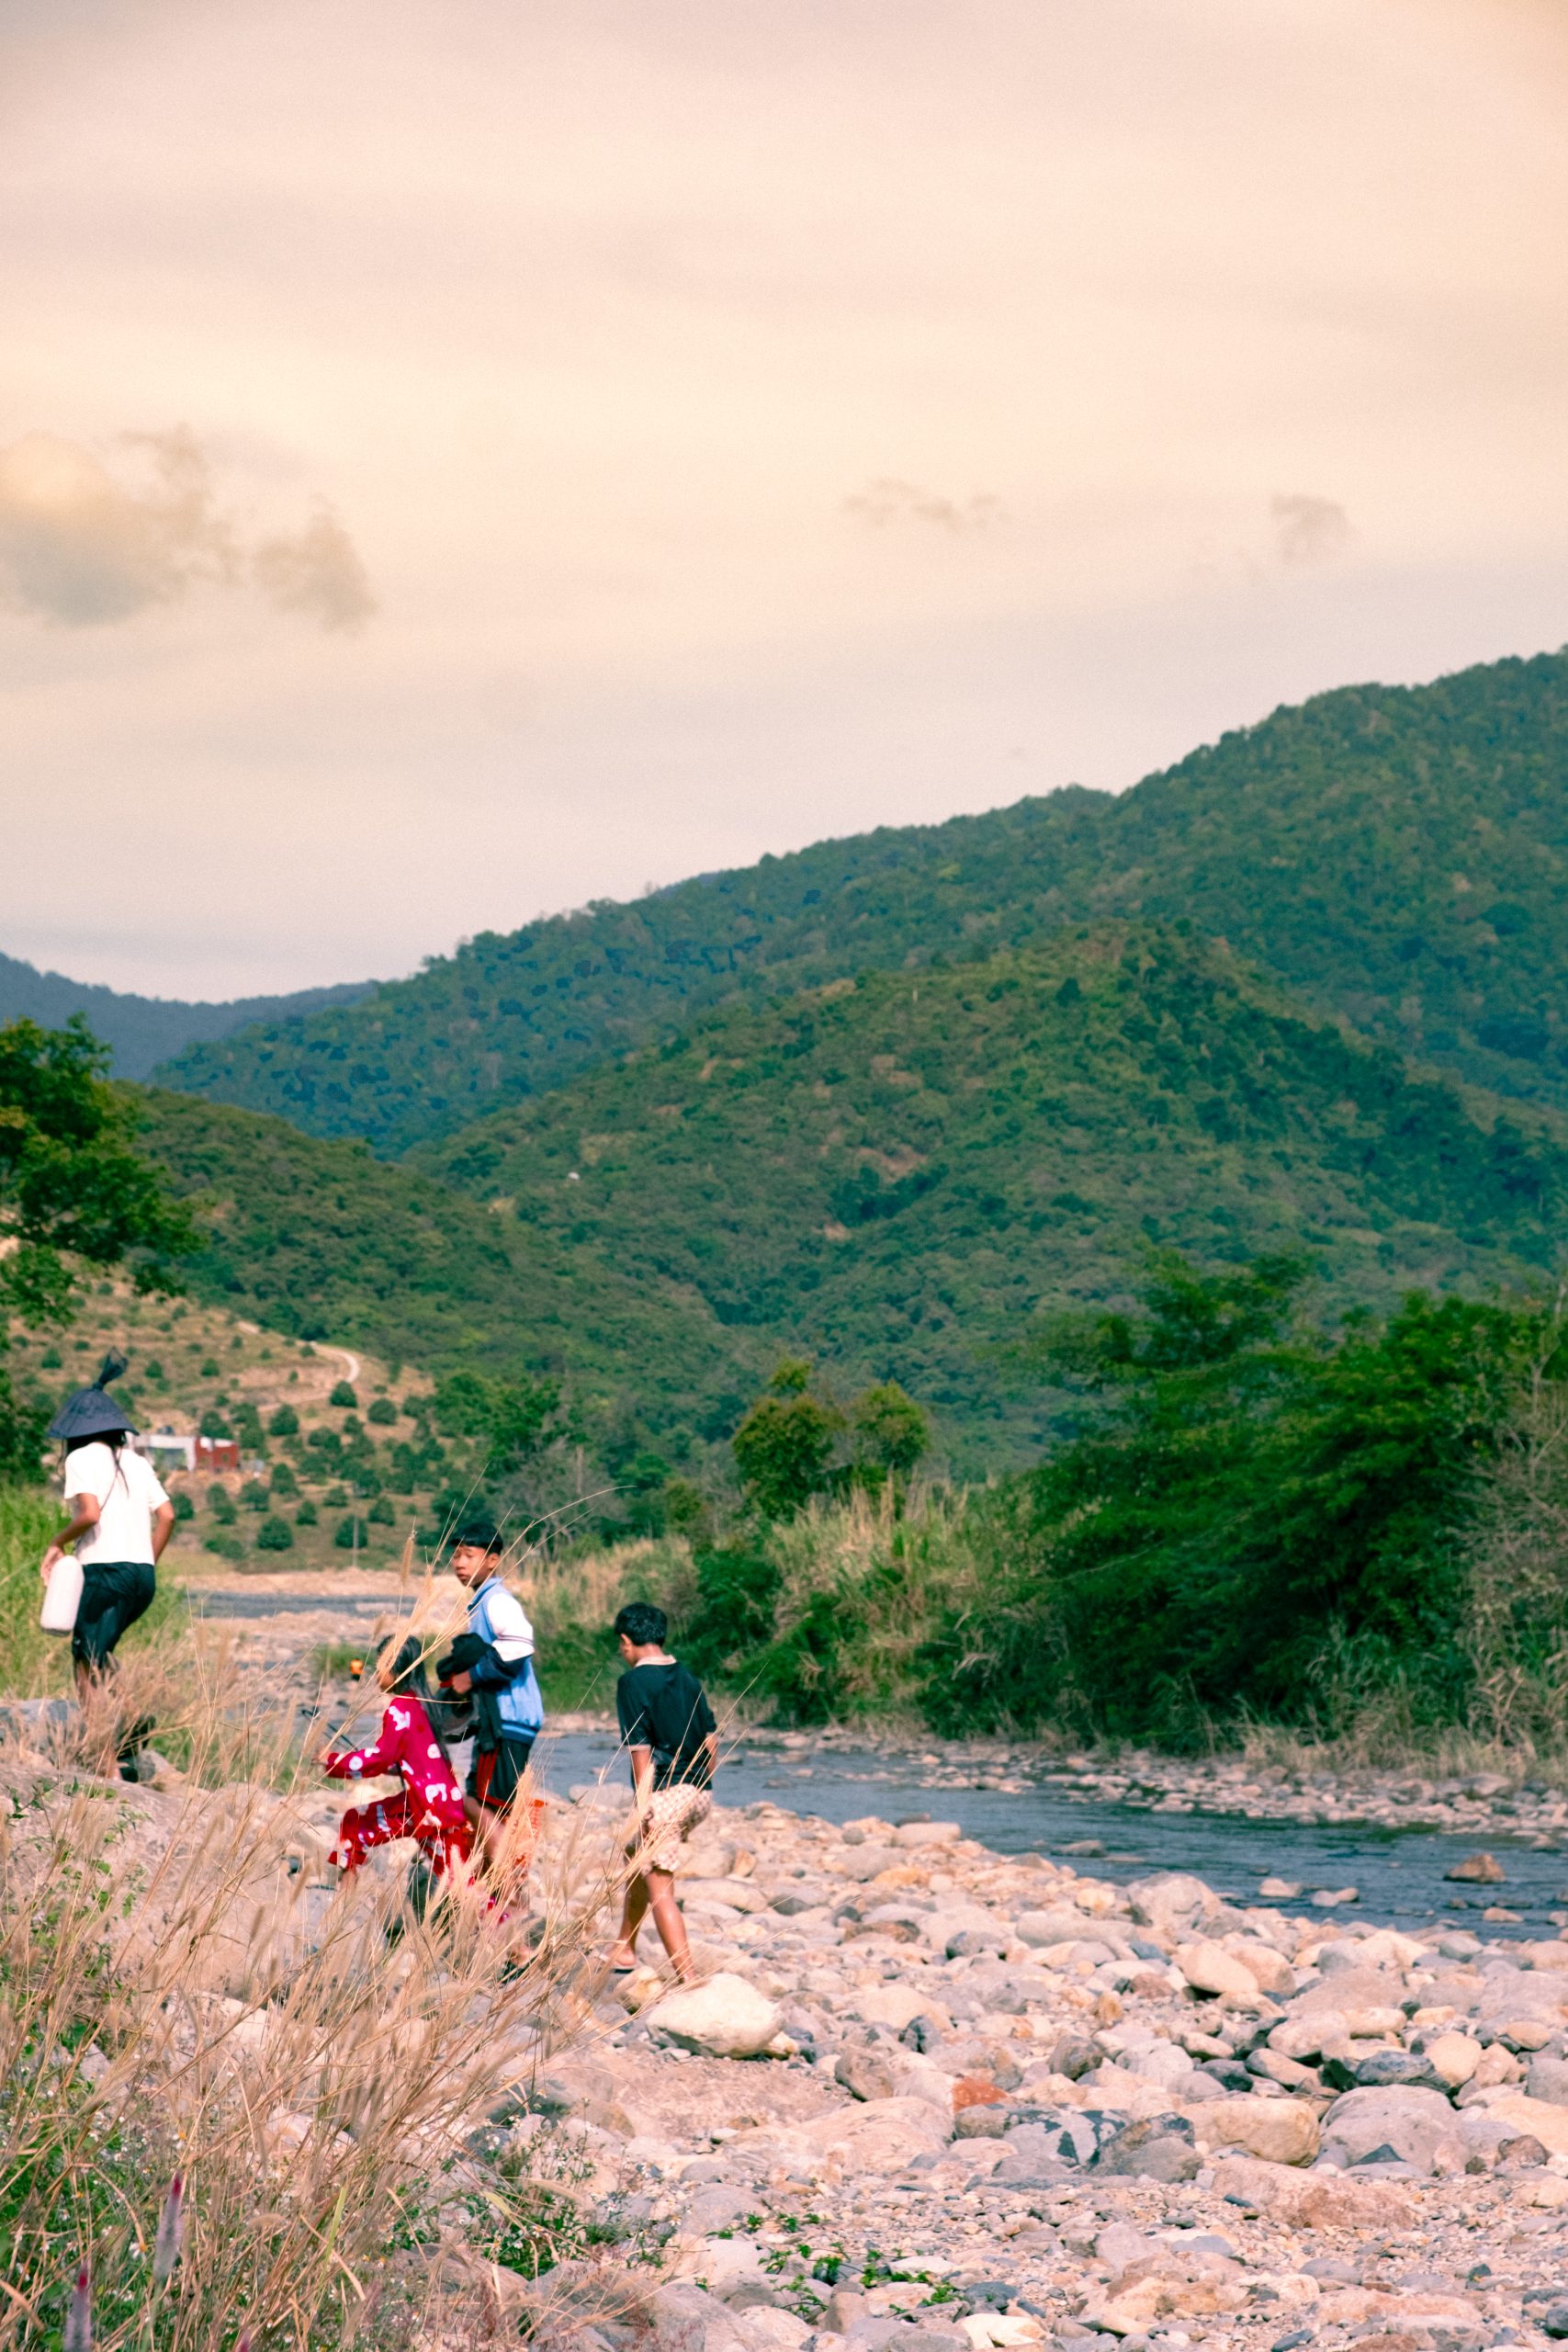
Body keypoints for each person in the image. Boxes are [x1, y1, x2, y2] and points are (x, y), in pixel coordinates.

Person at [39, 1354, 175, 1713]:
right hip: (142, 1577)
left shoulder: (80, 1459)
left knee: (84, 1659)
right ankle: (132, 1716)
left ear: (76, 1431)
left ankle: (102, 1744)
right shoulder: (138, 1461)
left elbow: (90, 1514)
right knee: (101, 1653)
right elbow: (167, 1515)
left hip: (104, 1572)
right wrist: (146, 1561)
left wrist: (57, 1542)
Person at [606, 1600, 717, 1982]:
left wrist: (645, 1808)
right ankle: (625, 1947)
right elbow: (711, 1742)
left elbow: (641, 1753)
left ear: (626, 1641)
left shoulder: (632, 1683)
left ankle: (689, 1980)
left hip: (665, 1795)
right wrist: (699, 1785)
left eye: (620, 1645)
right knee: (633, 1854)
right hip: (699, 1792)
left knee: (660, 1887)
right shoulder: (687, 1676)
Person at [318, 1635, 471, 1885]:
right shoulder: (422, 1704)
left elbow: (380, 1758)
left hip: (425, 1810)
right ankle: (345, 1898)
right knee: (460, 1882)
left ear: (396, 1669)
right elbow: (410, 1760)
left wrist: (332, 1761)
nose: (376, 1673)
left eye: (380, 1666)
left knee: (462, 1885)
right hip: (437, 1806)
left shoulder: (399, 1709)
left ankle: (344, 1898)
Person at [436, 1518, 544, 1871]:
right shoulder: (482, 1601)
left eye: (469, 1555)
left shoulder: (497, 1600)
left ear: (493, 1560)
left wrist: (471, 1676)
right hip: (500, 1724)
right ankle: (491, 1892)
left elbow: (519, 1645)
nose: (459, 1563)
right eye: (456, 1556)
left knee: (476, 1803)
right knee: (492, 1808)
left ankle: (510, 1885)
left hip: (506, 1722)